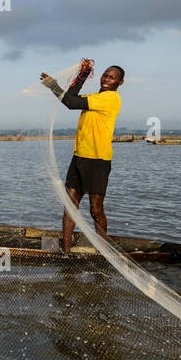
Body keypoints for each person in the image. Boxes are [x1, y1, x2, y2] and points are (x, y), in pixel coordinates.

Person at [39, 60, 124, 251]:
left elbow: (70, 102)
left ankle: (102, 251)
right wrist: (82, 76)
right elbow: (71, 98)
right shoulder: (94, 97)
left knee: (96, 210)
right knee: (70, 206)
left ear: (120, 82)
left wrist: (53, 85)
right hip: (79, 158)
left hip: (97, 161)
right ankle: (66, 251)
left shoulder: (110, 99)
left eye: (112, 77)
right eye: (104, 75)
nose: (106, 79)